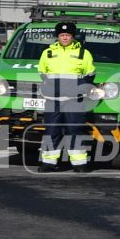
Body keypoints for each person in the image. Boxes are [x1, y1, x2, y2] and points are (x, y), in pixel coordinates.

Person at [37, 22, 95, 169]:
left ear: (72, 36)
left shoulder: (84, 53)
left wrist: (77, 88)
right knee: (51, 131)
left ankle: (79, 163)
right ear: (57, 36)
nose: (65, 38)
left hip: (74, 101)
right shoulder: (47, 53)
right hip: (53, 100)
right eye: (62, 35)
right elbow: (42, 74)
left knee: (75, 130)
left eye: (68, 35)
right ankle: (48, 163)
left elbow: (90, 74)